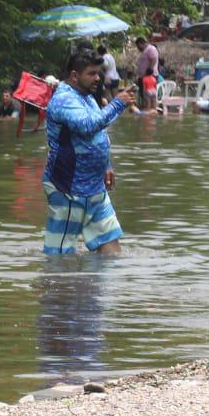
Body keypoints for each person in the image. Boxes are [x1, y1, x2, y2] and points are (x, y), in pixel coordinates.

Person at [42, 51, 134, 255]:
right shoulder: (63, 99)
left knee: (112, 252)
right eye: (92, 73)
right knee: (59, 257)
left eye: (98, 73)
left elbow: (98, 135)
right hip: (67, 187)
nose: (98, 78)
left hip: (95, 188)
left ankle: (99, 287)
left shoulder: (88, 98)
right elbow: (87, 126)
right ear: (74, 76)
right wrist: (118, 103)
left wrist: (106, 166)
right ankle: (58, 287)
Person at [133, 37, 159, 108]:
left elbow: (153, 59)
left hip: (149, 76)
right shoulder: (145, 50)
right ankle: (147, 109)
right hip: (144, 76)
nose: (138, 48)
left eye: (138, 46)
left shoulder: (151, 49)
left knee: (148, 96)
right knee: (144, 95)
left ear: (141, 43)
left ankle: (150, 110)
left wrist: (149, 71)